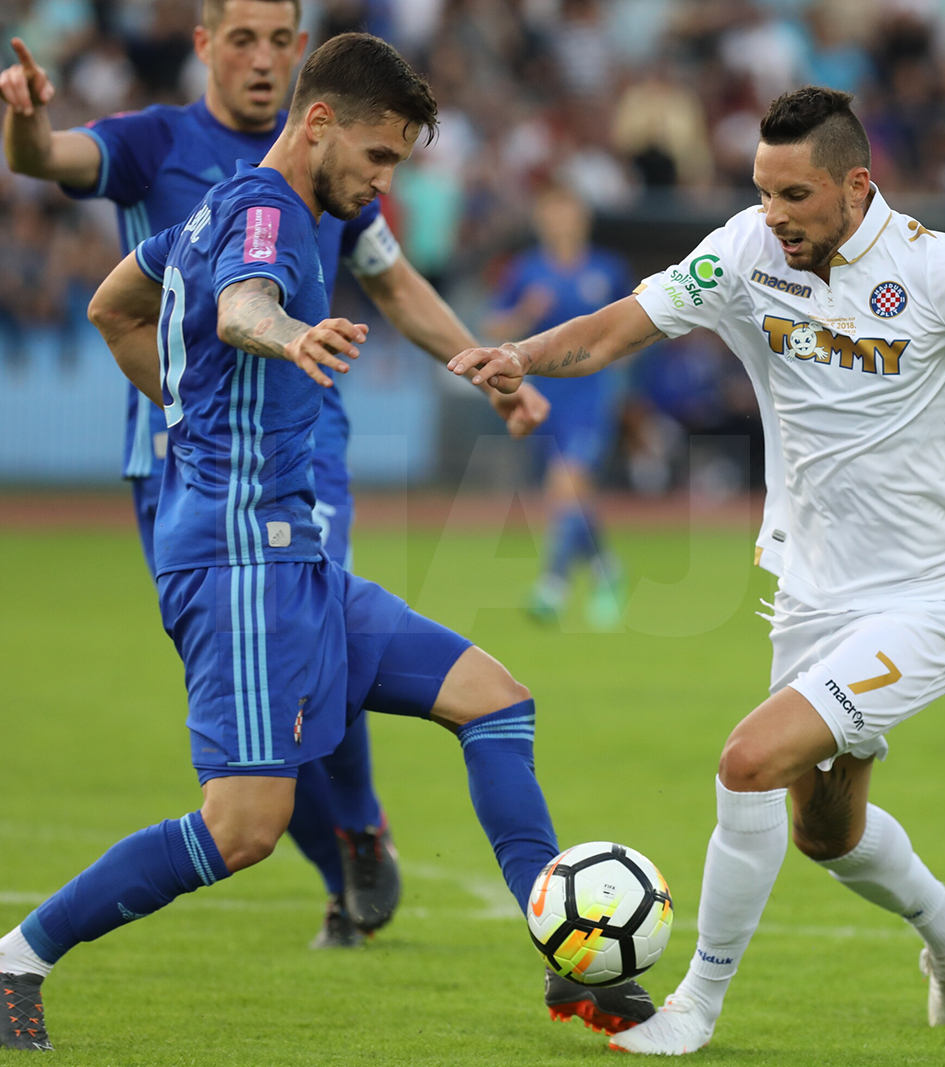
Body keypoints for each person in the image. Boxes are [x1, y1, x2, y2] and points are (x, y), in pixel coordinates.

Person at [449, 86, 945, 1055]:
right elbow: (621, 325)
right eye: (762, 190)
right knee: (826, 833)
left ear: (856, 184)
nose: (774, 214)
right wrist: (522, 355)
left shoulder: (940, 272)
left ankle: (694, 1009)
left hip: (926, 603)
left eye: (794, 195)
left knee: (746, 763)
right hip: (809, 593)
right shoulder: (748, 252)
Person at [0, 35, 655, 1052]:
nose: (383, 180)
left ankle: (571, 957)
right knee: (243, 827)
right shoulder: (267, 215)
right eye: (380, 157)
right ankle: (18, 955)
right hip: (240, 563)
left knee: (494, 698)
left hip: (290, 550)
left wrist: (189, 412)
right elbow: (241, 303)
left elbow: (111, 304)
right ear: (319, 125)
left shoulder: (220, 208)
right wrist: (283, 336)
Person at [483, 184, 632, 628]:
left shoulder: (607, 270)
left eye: (569, 212)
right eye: (554, 213)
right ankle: (607, 570)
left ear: (582, 218)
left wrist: (622, 384)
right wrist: (526, 313)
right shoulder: (526, 272)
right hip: (544, 397)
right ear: (542, 220)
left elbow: (634, 324)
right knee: (571, 494)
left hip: (592, 394)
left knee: (565, 485)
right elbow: (494, 325)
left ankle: (553, 584)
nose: (562, 221)